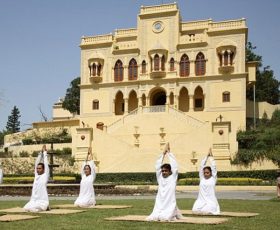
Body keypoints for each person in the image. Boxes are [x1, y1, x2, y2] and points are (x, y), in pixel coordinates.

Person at [147, 143, 181, 221]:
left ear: (170, 171)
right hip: (160, 201)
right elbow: (157, 166)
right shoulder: (160, 177)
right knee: (155, 216)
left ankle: (172, 213)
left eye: (166, 171)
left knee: (165, 217)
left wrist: (169, 153)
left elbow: (175, 167)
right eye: (162, 171)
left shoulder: (173, 178)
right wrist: (163, 154)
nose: (163, 172)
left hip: (169, 201)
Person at [192, 148, 220, 215]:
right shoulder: (202, 178)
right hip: (201, 200)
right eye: (204, 173)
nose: (205, 174)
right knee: (194, 210)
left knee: (207, 210)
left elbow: (214, 167)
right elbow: (201, 166)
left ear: (210, 173)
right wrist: (206, 157)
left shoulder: (213, 179)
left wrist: (211, 158)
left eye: (207, 173)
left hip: (210, 201)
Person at [23, 145, 49, 212]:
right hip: (33, 200)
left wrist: (45, 153)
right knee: (26, 208)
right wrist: (40, 153)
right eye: (37, 168)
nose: (38, 170)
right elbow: (36, 163)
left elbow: (46, 163)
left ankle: (46, 206)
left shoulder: (45, 175)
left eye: (39, 168)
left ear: (43, 169)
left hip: (42, 201)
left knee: (35, 209)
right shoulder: (36, 176)